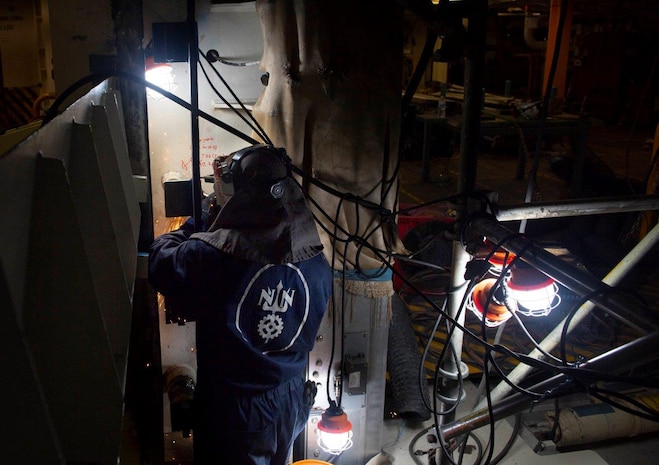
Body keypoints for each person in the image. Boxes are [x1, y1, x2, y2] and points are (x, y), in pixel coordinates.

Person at [149, 144, 333, 464]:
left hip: (237, 408)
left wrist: (202, 221)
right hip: (290, 394)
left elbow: (160, 261)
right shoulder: (314, 256)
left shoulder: (214, 256)